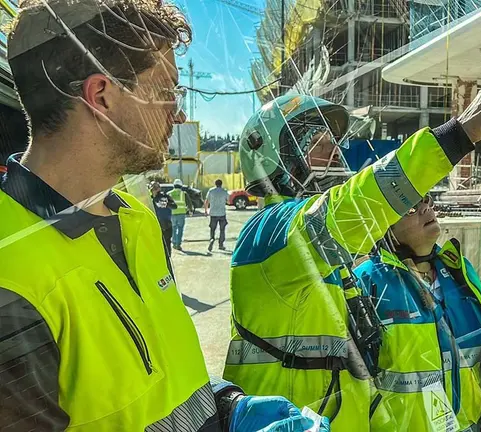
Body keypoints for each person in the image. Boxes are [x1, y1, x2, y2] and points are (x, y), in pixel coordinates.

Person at [0, 1, 326, 430]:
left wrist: (224, 407)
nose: (179, 112)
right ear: (101, 96)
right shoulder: (12, 277)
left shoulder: (136, 219)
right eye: (167, 90)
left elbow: (162, 379)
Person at [223, 57, 481, 430]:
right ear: (280, 159)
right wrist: (459, 133)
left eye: (334, 142)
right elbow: (358, 202)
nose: (335, 153)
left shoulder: (328, 258)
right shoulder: (268, 236)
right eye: (319, 143)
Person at [353, 193, 481, 431]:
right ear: (385, 226)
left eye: (426, 200)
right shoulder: (368, 282)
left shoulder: (459, 270)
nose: (426, 208)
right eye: (411, 209)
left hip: (471, 424)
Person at [150, 180, 177, 255]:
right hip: (155, 225)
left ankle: (168, 260)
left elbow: (174, 206)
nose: (155, 190)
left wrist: (166, 204)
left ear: (159, 188)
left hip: (166, 224)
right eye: (153, 189)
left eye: (156, 188)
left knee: (167, 245)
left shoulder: (165, 196)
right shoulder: (150, 199)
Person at [205, 178, 228, 252]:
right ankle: (221, 244)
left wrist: (206, 211)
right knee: (222, 229)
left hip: (213, 213)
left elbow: (207, 201)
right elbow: (228, 200)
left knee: (212, 228)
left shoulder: (211, 191)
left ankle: (212, 239)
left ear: (215, 184)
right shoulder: (224, 191)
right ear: (221, 184)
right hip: (222, 213)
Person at [169, 178, 189, 250]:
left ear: (174, 185)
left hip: (172, 213)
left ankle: (174, 243)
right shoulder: (184, 193)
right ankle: (178, 244)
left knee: (173, 228)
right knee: (180, 229)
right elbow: (189, 203)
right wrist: (190, 210)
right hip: (181, 213)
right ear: (181, 186)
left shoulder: (169, 193)